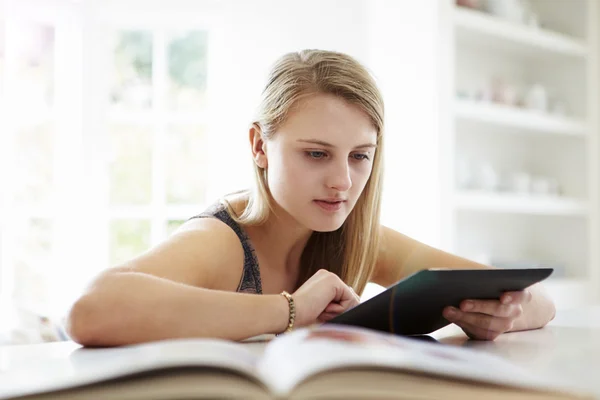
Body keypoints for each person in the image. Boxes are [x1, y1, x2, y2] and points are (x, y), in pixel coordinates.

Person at [66, 50, 555, 347]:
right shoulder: (223, 240)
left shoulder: (357, 234)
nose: (342, 181)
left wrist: (504, 316)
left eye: (360, 156)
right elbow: (89, 308)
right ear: (260, 146)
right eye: (317, 154)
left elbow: (536, 300)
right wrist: (291, 310)